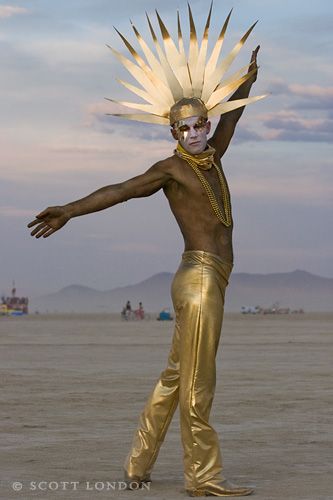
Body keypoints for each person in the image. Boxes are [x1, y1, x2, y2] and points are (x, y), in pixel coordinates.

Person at [28, 6, 265, 496]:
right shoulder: (171, 170)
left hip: (209, 278)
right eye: (186, 129)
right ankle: (202, 478)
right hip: (199, 282)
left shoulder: (213, 156)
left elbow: (233, 119)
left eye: (201, 123)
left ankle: (138, 464)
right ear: (172, 132)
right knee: (198, 386)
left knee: (175, 377)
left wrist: (244, 82)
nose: (196, 133)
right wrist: (69, 210)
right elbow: (119, 189)